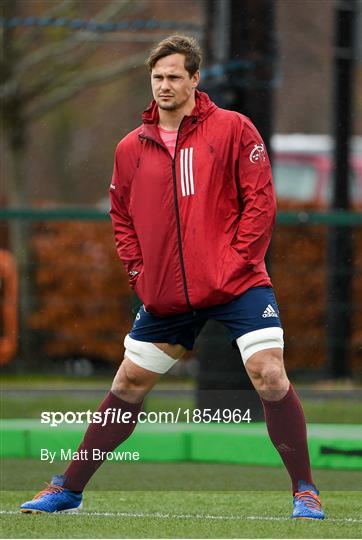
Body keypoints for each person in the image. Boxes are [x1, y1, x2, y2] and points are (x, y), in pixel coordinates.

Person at [21, 35, 324, 520]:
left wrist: (235, 261)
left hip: (238, 284)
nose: (164, 85)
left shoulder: (232, 129)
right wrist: (140, 273)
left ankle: (304, 492)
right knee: (129, 381)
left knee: (269, 374)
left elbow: (261, 202)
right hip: (165, 293)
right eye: (158, 77)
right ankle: (68, 488)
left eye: (174, 76)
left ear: (194, 79)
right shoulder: (130, 148)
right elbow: (121, 217)